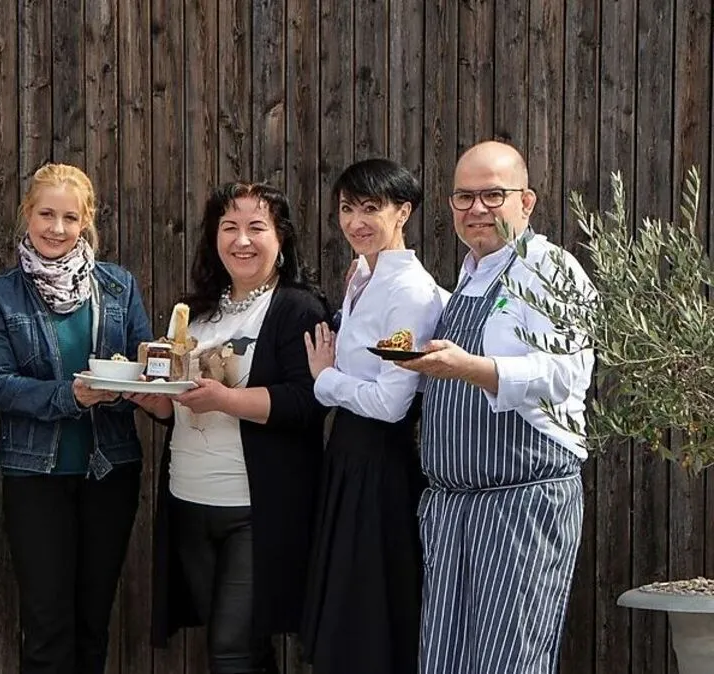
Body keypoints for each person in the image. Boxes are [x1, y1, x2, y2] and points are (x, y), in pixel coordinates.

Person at [397, 140, 594, 674]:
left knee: (509, 660)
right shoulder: (468, 274)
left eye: (493, 195)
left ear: (525, 202)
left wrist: (472, 368)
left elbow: (566, 374)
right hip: (452, 510)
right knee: (447, 659)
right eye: (464, 197)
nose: (477, 209)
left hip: (521, 505)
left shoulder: (551, 271)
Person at [136, 182, 333, 674]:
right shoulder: (195, 312)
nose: (241, 240)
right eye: (229, 227)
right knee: (241, 649)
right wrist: (155, 404)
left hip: (256, 509)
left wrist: (225, 400)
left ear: (281, 239)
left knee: (230, 651)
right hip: (188, 501)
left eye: (256, 227)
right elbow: (181, 406)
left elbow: (309, 401)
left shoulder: (300, 308)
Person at [0, 163, 152, 674]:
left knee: (93, 624)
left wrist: (135, 381)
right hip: (36, 479)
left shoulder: (117, 286)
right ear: (27, 214)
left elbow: (145, 367)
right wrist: (70, 395)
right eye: (46, 214)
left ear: (85, 221)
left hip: (111, 473)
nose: (56, 228)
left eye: (70, 218)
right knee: (47, 628)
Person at [299, 159, 444, 673]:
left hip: (380, 464)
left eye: (370, 208)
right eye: (346, 209)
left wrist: (325, 380)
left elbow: (390, 402)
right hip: (348, 457)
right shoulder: (364, 274)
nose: (355, 222)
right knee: (347, 608)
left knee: (367, 615)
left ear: (403, 212)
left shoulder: (408, 293)